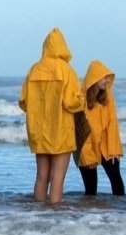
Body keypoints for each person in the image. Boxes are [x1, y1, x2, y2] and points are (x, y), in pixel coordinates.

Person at [19, 28, 84, 204]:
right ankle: (53, 215)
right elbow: (71, 103)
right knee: (58, 176)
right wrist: (83, 100)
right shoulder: (67, 70)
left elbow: (24, 102)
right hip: (60, 130)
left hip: (38, 129)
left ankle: (37, 211)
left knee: (41, 176)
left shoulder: (34, 69)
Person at [77, 60, 125, 196]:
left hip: (106, 144)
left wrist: (114, 149)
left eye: (108, 77)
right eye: (104, 77)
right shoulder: (80, 98)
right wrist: (87, 156)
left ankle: (121, 209)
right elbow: (80, 131)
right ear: (95, 78)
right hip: (86, 146)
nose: (107, 80)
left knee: (116, 178)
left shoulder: (108, 95)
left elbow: (112, 123)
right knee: (91, 187)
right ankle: (91, 210)